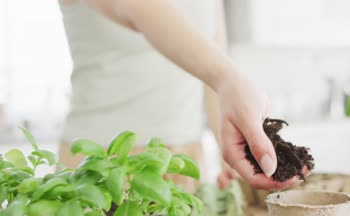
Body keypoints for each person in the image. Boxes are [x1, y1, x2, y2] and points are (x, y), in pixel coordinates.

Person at [58, 0, 301, 190]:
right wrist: (230, 79)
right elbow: (139, 7)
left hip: (184, 160)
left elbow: (213, 60)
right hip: (100, 162)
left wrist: (229, 150)